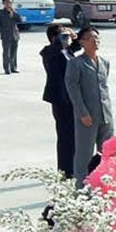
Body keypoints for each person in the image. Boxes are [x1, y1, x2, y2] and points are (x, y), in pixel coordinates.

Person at [64, 25, 114, 181]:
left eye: (97, 38)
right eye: (92, 38)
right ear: (83, 42)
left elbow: (103, 87)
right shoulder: (76, 63)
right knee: (84, 155)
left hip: (105, 115)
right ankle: (81, 187)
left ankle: (104, 185)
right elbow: (73, 90)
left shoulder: (104, 62)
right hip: (87, 116)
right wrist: (82, 113)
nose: (96, 41)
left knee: (108, 153)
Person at [40, 22, 76, 174]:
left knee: (73, 135)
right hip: (60, 100)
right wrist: (59, 41)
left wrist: (74, 36)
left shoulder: (66, 51)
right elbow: (54, 51)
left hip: (71, 99)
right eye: (63, 35)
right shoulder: (49, 52)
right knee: (65, 136)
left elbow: (81, 42)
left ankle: (73, 166)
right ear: (54, 38)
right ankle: (64, 169)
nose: (66, 38)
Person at [0, 0, 21, 74]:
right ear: (3, 3)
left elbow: (20, 20)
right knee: (7, 53)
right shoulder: (0, 13)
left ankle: (14, 67)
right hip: (6, 36)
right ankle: (7, 69)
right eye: (7, 2)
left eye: (10, 2)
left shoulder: (14, 12)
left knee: (14, 52)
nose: (8, 4)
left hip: (15, 35)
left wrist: (14, 13)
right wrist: (3, 32)